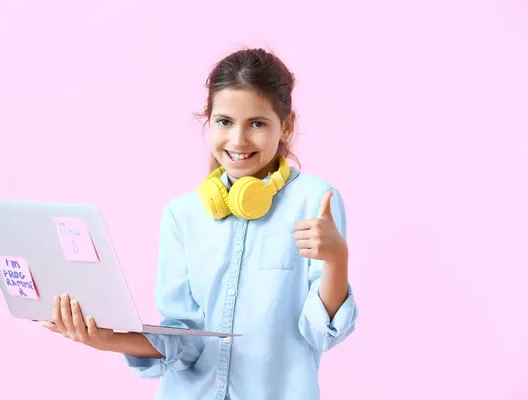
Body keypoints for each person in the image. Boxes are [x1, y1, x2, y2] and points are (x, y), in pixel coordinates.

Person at [41, 47, 358, 400]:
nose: (238, 140)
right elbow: (185, 341)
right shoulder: (183, 213)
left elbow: (321, 334)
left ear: (286, 126)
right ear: (209, 121)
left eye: (257, 123)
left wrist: (336, 259)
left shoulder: (316, 201)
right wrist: (105, 339)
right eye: (224, 122)